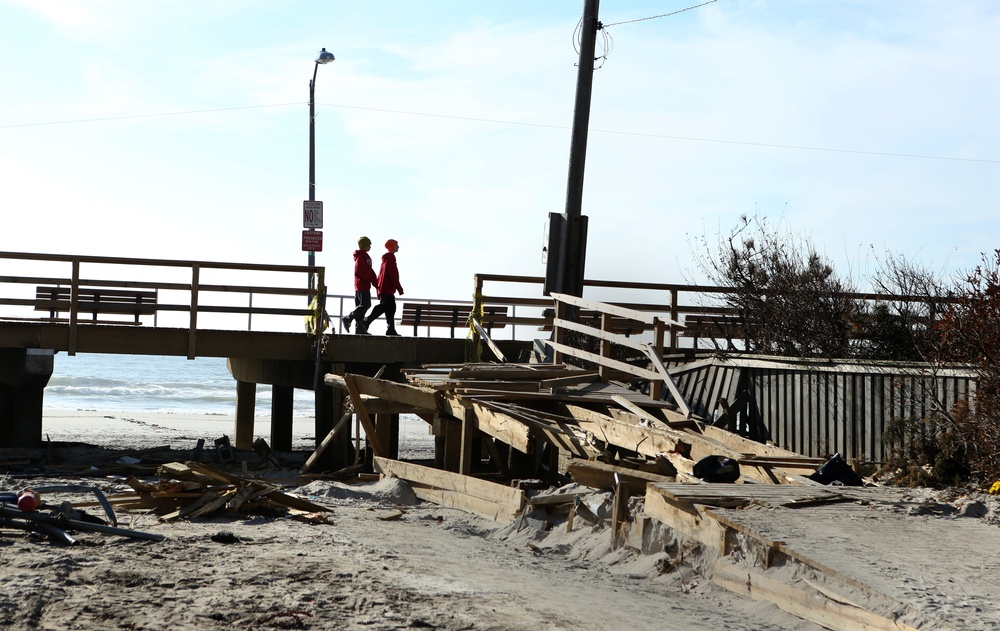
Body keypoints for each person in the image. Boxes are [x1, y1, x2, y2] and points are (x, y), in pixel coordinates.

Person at [363, 239, 404, 336]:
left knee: (390, 308)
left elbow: (382, 275)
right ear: (392, 247)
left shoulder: (386, 258)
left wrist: (379, 288)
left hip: (384, 288)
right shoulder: (390, 257)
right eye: (396, 245)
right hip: (387, 288)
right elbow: (392, 274)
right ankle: (367, 321)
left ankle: (391, 329)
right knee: (384, 307)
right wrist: (399, 288)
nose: (398, 247)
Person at [342, 236, 379, 335]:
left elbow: (368, 271)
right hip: (362, 285)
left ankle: (359, 328)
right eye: (368, 244)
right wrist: (374, 282)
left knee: (361, 306)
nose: (370, 246)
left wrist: (374, 282)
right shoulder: (361, 257)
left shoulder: (363, 256)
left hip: (362, 285)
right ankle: (348, 318)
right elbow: (365, 272)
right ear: (364, 245)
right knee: (365, 304)